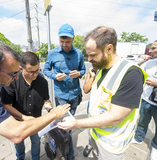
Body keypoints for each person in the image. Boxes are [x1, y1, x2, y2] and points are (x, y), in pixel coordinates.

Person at [57, 26, 148, 160]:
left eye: (93, 55)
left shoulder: (131, 73)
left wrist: (76, 123)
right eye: (88, 54)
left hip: (111, 145)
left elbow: (116, 117)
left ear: (109, 48)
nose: (89, 59)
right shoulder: (101, 67)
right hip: (96, 134)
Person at [43, 23, 86, 160]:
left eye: (67, 41)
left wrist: (78, 74)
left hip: (74, 94)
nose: (65, 44)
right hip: (60, 95)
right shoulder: (52, 53)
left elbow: (84, 70)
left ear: (73, 38)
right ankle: (69, 154)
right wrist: (54, 76)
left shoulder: (78, 53)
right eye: (62, 41)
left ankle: (64, 148)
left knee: (70, 121)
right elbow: (45, 70)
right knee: (66, 123)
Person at [1, 51, 53, 160]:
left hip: (35, 120)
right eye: (31, 72)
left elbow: (46, 100)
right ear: (21, 69)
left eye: (37, 70)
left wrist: (50, 109)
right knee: (19, 143)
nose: (35, 74)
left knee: (36, 142)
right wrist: (24, 118)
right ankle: (20, 157)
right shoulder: (11, 81)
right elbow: (7, 106)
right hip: (17, 122)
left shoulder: (42, 82)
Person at [82, 67, 97, 157]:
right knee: (91, 125)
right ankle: (90, 143)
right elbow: (86, 89)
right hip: (92, 103)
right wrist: (92, 76)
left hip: (106, 105)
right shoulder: (92, 71)